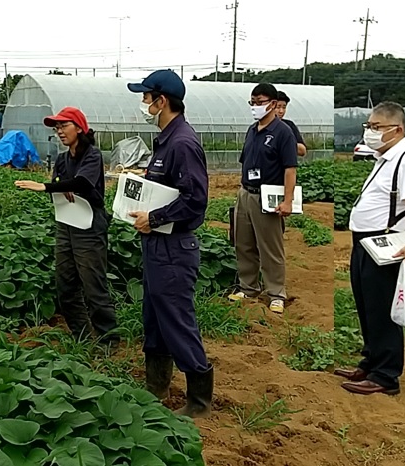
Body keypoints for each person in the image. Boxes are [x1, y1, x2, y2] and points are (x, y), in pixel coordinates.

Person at [126, 69, 213, 418]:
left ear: (162, 101)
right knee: (155, 317)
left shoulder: (182, 142)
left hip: (174, 248)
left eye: (147, 97)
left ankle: (199, 400)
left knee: (176, 318)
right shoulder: (166, 140)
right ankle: (157, 385)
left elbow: (196, 200)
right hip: (158, 245)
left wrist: (156, 218)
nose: (144, 103)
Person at [336, 101, 405, 395]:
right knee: (366, 302)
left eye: (376, 127)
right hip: (366, 241)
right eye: (369, 126)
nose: (370, 132)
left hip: (386, 241)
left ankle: (386, 375)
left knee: (382, 306)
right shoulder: (385, 157)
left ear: (397, 129)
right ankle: (372, 360)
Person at [14, 107, 119, 347]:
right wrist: (60, 186)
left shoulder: (92, 155)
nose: (59, 131)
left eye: (64, 126)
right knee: (65, 284)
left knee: (93, 285)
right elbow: (61, 182)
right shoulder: (62, 159)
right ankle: (81, 335)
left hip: (89, 226)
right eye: (56, 128)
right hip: (66, 224)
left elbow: (82, 182)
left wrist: (48, 187)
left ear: (79, 128)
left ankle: (108, 339)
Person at [228, 83, 298, 315]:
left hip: (268, 197)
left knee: (270, 246)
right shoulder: (252, 130)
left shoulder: (283, 132)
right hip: (246, 193)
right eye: (253, 102)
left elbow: (290, 169)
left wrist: (287, 201)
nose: (256, 106)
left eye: (261, 102)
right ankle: (248, 286)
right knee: (244, 243)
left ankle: (276, 292)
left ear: (273, 104)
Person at [276, 91, 307, 157]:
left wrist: (284, 144)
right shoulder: (260, 127)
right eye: (278, 107)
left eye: (284, 107)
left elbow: (302, 150)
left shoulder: (289, 125)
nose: (281, 111)